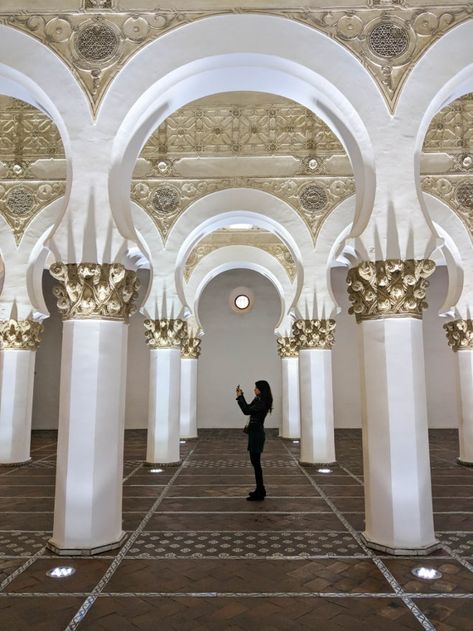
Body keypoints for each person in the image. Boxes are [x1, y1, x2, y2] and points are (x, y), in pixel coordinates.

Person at [235, 380, 273, 501]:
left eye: (256, 388)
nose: (254, 389)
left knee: (256, 463)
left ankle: (260, 491)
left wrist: (240, 397)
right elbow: (248, 408)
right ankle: (260, 489)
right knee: (255, 463)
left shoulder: (262, 403)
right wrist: (241, 397)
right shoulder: (258, 400)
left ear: (261, 389)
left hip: (257, 434)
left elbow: (246, 411)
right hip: (254, 433)